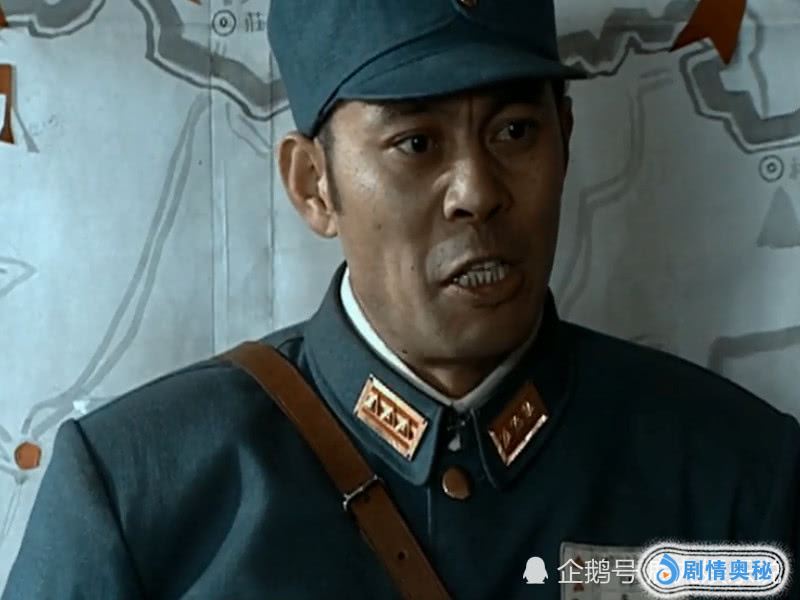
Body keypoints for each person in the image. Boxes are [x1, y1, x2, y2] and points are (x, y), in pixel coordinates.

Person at [4, 1, 799, 599]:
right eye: (416, 143)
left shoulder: (738, 475)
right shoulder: (137, 492)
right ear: (313, 186)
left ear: (565, 138)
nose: (477, 192)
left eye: (515, 131)